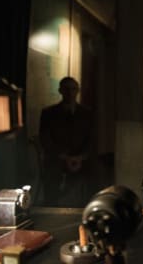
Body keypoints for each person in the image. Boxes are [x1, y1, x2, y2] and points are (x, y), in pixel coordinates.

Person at [39, 76, 94, 207]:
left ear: (78, 91)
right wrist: (64, 157)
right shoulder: (49, 113)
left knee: (92, 180)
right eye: (66, 89)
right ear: (60, 91)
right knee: (52, 184)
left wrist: (80, 157)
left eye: (73, 89)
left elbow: (91, 138)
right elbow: (45, 139)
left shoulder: (87, 113)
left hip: (81, 160)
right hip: (57, 159)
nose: (70, 93)